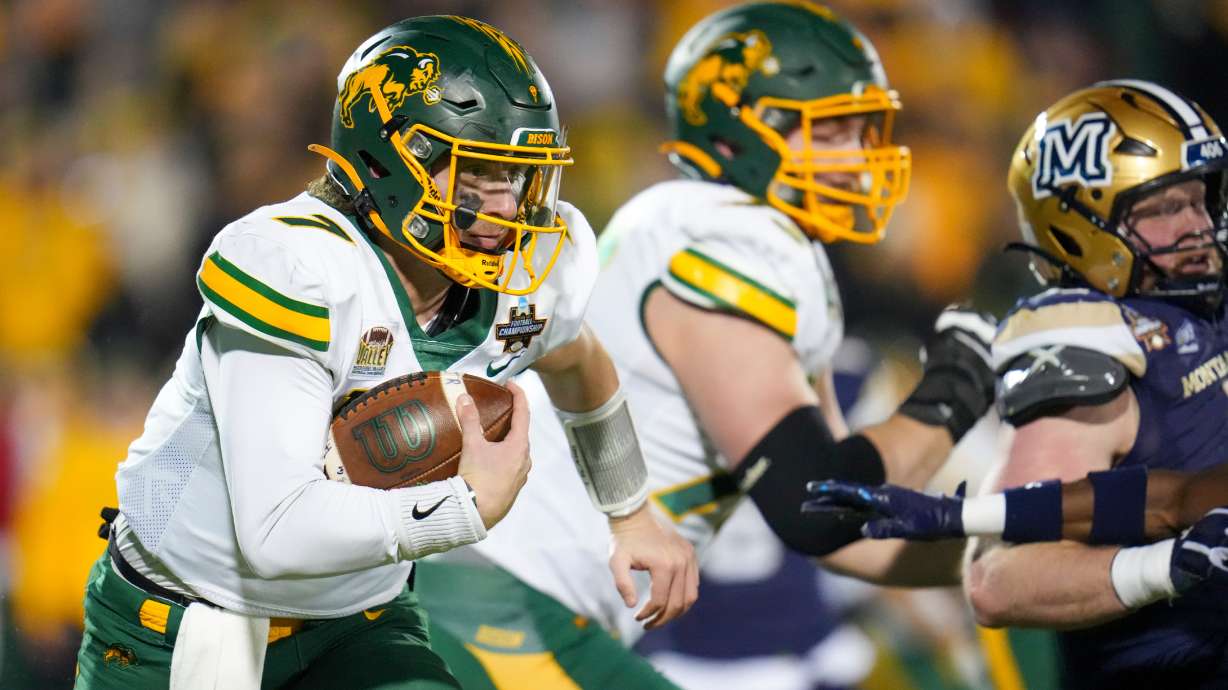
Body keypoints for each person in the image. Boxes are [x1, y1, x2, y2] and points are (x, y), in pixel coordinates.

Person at [73, 15, 693, 690]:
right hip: (182, 622)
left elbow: (580, 363)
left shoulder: (525, 273)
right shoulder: (299, 265)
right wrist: (467, 507)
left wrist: (630, 511)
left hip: (359, 620)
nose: (505, 209)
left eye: (517, 177)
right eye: (477, 174)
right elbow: (274, 532)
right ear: (391, 162)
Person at [414, 3, 998, 688]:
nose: (856, 158)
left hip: (527, 603)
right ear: (740, 136)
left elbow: (845, 529)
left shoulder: (746, 246)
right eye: (829, 131)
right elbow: (819, 502)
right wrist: (952, 393)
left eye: (861, 130)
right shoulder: (717, 239)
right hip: (506, 599)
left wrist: (1000, 550)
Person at [808, 80, 1228, 688]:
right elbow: (999, 581)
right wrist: (1168, 565)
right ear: (1080, 226)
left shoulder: (1198, 314)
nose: (1195, 226)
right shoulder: (1095, 350)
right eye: (1162, 208)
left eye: (1198, 199)